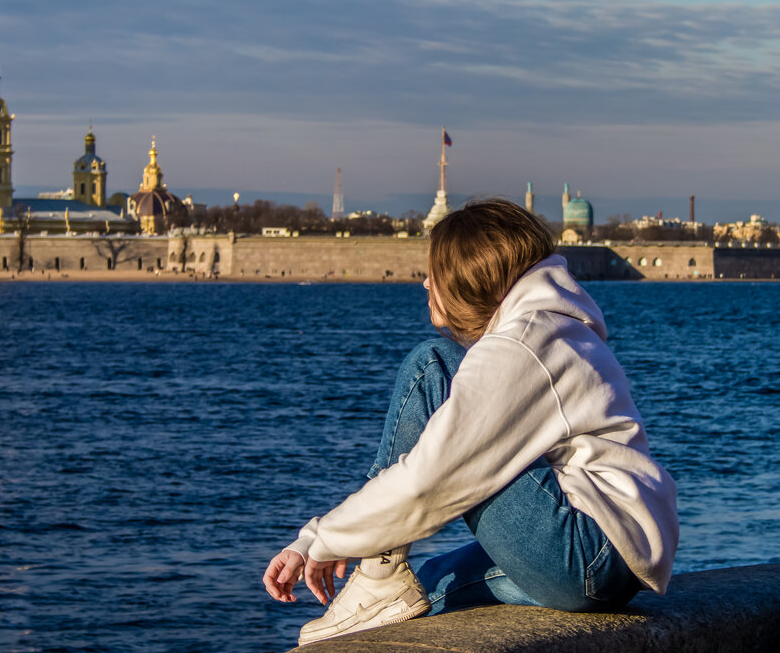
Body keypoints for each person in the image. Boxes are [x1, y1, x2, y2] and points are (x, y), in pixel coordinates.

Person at [262, 198, 678, 646]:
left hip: (585, 551)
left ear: (467, 278)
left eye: (435, 274)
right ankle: (381, 579)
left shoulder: (522, 346)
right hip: (615, 562)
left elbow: (430, 479)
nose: (426, 283)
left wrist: (321, 539)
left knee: (433, 365)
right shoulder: (554, 329)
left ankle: (378, 570)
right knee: (429, 583)